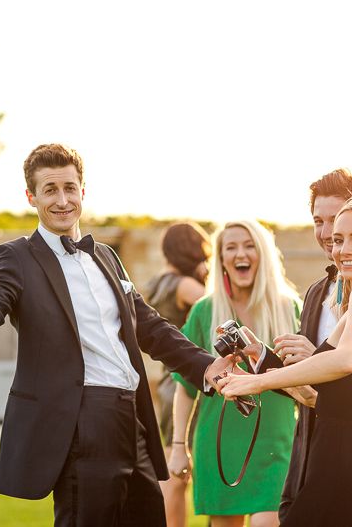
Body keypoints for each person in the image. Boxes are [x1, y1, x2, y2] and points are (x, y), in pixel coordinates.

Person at [0, 143, 233, 527]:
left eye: (70, 188)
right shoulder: (17, 257)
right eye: (50, 190)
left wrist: (206, 367)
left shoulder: (105, 256)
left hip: (134, 418)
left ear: (82, 191)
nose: (62, 200)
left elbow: (151, 327)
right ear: (31, 197)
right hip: (81, 421)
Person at [220, 194, 352, 527]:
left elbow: (345, 361)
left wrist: (255, 382)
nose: (343, 249)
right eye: (338, 240)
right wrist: (259, 359)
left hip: (344, 472)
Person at [170, 220, 304, 527]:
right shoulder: (204, 310)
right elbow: (185, 388)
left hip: (276, 445)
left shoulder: (290, 308)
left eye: (249, 245)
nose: (240, 253)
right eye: (231, 247)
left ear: (263, 254)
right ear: (221, 259)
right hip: (219, 444)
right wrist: (179, 447)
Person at [144, 222, 211, 527]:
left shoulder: (159, 282)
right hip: (186, 383)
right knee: (179, 471)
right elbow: (218, 309)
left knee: (175, 465)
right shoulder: (184, 286)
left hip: (167, 380)